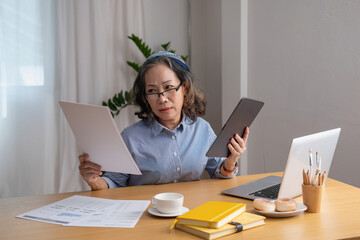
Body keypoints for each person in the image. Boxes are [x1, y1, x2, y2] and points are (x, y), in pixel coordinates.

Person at [78, 51, 249, 190]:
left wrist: (231, 161)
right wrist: (94, 181)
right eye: (152, 91)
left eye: (168, 88)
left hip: (190, 213)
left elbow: (219, 174)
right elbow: (114, 184)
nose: (162, 98)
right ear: (146, 97)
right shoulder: (131, 137)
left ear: (185, 88)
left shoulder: (202, 129)